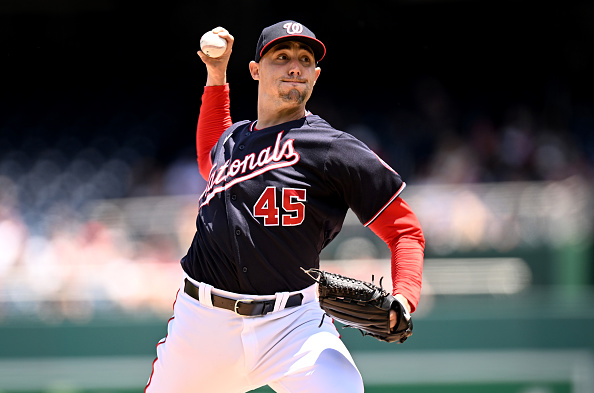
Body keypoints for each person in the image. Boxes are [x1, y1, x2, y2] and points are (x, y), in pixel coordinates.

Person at [145, 20, 425, 393]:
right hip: (202, 325)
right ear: (256, 70)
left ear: (316, 74)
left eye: (305, 59)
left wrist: (405, 296)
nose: (296, 66)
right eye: (282, 56)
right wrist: (216, 74)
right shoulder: (233, 139)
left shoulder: (331, 147)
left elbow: (404, 229)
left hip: (293, 325)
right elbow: (210, 155)